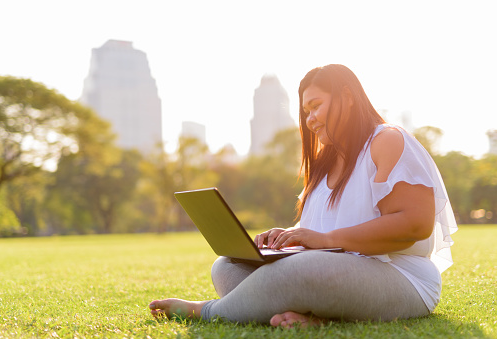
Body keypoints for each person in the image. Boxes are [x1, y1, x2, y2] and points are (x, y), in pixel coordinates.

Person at [149, 64, 458, 328]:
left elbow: (414, 226)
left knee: (298, 272)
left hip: (402, 278)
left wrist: (326, 240)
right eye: (306, 111)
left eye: (316, 106)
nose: (310, 119)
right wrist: (289, 237)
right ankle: (317, 317)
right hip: (333, 271)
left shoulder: (386, 140)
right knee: (227, 266)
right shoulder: (324, 163)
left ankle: (207, 311)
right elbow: (318, 232)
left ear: (347, 98)